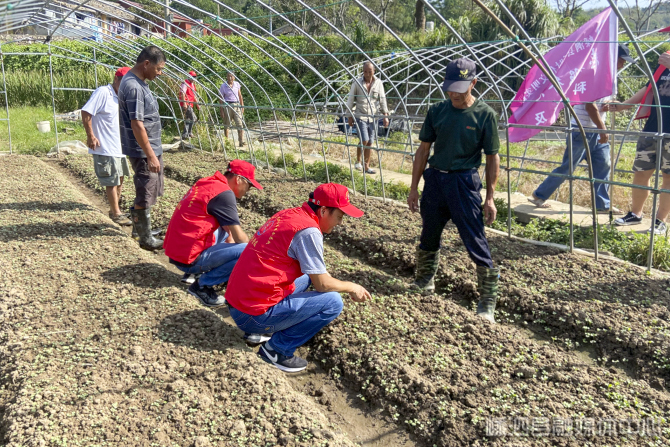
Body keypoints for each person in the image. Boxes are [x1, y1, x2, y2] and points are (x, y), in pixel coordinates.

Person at [225, 183, 371, 372]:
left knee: (308, 277)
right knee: (333, 301)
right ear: (324, 210)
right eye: (340, 216)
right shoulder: (308, 231)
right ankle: (276, 350)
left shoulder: (290, 214)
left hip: (239, 302)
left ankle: (262, 329)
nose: (340, 223)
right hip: (251, 314)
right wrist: (352, 287)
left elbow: (316, 277)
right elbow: (323, 285)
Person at [407, 58, 500, 323]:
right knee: (429, 233)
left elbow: (493, 158)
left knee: (475, 241)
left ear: (474, 82)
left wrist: (490, 198)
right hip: (436, 180)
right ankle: (424, 282)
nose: (454, 94)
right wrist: (414, 188)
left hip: (464, 183)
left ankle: (487, 302)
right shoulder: (437, 111)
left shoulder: (484, 115)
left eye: (460, 88)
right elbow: (423, 150)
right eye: (450, 88)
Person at [528, 44, 636, 215]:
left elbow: (598, 104)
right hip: (582, 129)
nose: (623, 64)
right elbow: (589, 106)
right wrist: (603, 129)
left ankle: (602, 204)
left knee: (603, 165)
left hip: (595, 129)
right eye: (622, 60)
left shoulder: (610, 77)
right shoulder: (594, 74)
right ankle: (539, 195)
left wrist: (606, 107)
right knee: (569, 167)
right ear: (612, 58)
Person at [164, 160, 263, 307]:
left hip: (177, 251)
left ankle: (196, 274)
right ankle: (202, 286)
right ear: (239, 179)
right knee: (248, 252)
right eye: (248, 186)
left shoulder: (209, 183)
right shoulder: (225, 194)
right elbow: (240, 238)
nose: (248, 191)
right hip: (188, 259)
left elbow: (228, 230)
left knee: (228, 234)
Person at [605, 53, 670, 234]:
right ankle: (635, 214)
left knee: (668, 178)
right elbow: (649, 87)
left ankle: (660, 221)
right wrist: (624, 105)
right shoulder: (664, 62)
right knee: (641, 173)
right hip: (652, 129)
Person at [118, 45, 166, 250]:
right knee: (146, 188)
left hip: (149, 148)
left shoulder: (138, 82)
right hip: (143, 150)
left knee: (150, 187)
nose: (160, 73)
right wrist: (151, 155)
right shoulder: (134, 87)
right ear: (146, 63)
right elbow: (137, 124)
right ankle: (145, 238)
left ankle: (140, 230)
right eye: (158, 69)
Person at [81, 66, 132, 227]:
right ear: (116, 80)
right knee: (111, 179)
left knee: (120, 178)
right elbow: (86, 112)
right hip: (105, 146)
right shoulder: (104, 92)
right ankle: (116, 213)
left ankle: (115, 209)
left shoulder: (121, 97)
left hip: (119, 147)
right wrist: (91, 136)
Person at [346, 61, 389, 174]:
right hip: (361, 115)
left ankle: (366, 166)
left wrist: (385, 115)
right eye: (365, 71)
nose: (367, 74)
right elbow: (351, 99)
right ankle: (358, 161)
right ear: (363, 72)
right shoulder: (357, 83)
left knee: (370, 142)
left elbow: (382, 99)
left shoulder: (378, 83)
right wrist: (349, 115)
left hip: (373, 116)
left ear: (374, 71)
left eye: (370, 71)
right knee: (364, 139)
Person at [220, 72, 245, 147]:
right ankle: (226, 142)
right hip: (228, 105)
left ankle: (241, 141)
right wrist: (221, 110)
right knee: (227, 124)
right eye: (228, 76)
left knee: (240, 124)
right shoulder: (223, 86)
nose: (230, 78)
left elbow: (240, 95)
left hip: (237, 105)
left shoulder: (237, 84)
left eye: (231, 76)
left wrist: (242, 105)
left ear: (234, 77)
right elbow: (221, 98)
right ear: (226, 77)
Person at [179, 70, 199, 140]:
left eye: (195, 77)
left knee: (189, 118)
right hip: (186, 104)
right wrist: (184, 103)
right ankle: (188, 133)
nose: (194, 79)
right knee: (193, 118)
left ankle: (186, 134)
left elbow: (194, 96)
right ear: (189, 77)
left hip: (190, 104)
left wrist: (197, 105)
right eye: (193, 77)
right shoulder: (185, 83)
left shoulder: (193, 85)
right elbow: (182, 94)